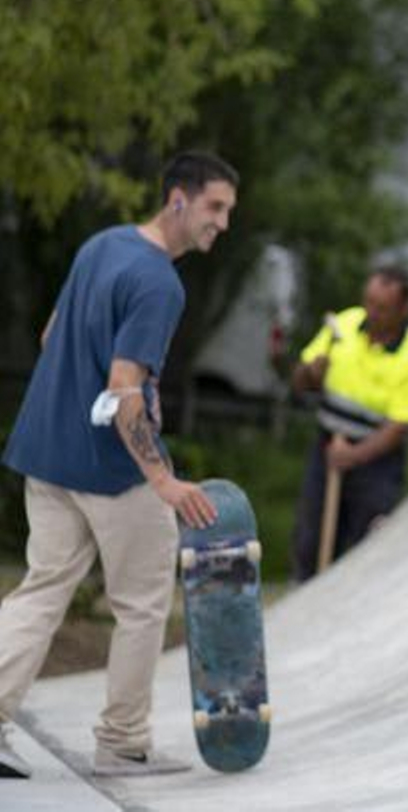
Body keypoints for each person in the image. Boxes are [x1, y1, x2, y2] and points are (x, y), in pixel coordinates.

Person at [0, 152, 236, 779]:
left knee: (42, 590)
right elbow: (125, 385)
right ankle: (123, 743)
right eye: (215, 207)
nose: (223, 223)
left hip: (46, 454)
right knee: (140, 603)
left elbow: (55, 337)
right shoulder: (161, 283)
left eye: (229, 211)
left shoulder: (102, 245)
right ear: (178, 200)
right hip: (110, 472)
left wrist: (125, 383)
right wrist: (161, 477)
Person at [290, 266, 408, 581]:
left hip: (376, 461)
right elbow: (299, 383)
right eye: (369, 302)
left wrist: (354, 456)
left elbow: (400, 426)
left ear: (403, 309)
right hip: (327, 447)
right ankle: (307, 602)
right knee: (310, 539)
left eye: (383, 308)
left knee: (367, 546)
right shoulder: (345, 323)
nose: (373, 313)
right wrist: (312, 374)